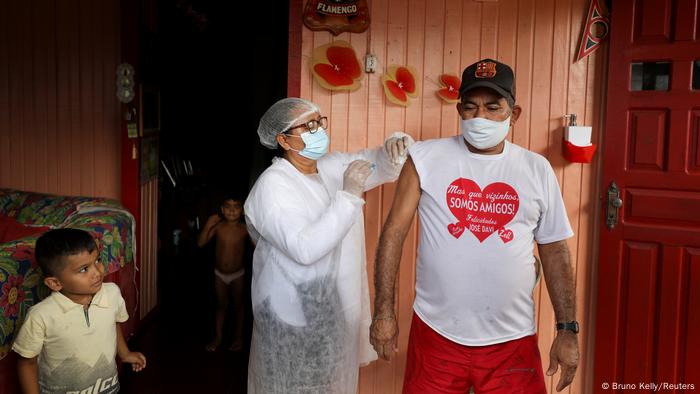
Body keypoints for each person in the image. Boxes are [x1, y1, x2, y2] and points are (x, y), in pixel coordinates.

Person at [370, 59, 580, 393]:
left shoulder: (536, 169)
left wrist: (567, 329)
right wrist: (384, 312)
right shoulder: (424, 158)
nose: (480, 117)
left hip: (512, 341)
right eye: (470, 107)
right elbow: (394, 232)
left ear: (515, 113)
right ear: (459, 109)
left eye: (493, 107)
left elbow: (554, 249)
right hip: (436, 334)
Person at [245, 97, 413, 394]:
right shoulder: (273, 186)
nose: (319, 129)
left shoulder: (331, 166)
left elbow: (376, 164)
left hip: (333, 312)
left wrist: (394, 149)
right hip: (291, 317)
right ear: (283, 139)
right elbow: (304, 248)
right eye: (308, 125)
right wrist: (348, 197)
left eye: (320, 121)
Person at [13, 228, 146, 394]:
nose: (97, 272)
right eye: (84, 269)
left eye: (97, 260)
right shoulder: (41, 316)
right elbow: (27, 362)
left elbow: (113, 324)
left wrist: (125, 354)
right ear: (55, 283)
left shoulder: (112, 293)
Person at [197, 194, 248, 352]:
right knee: (221, 305)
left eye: (236, 207)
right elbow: (200, 244)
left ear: (242, 210)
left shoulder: (245, 229)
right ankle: (218, 337)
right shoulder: (218, 226)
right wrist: (207, 225)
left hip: (238, 274)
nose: (232, 211)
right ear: (222, 209)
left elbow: (259, 247)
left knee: (238, 306)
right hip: (220, 274)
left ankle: (238, 338)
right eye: (228, 206)